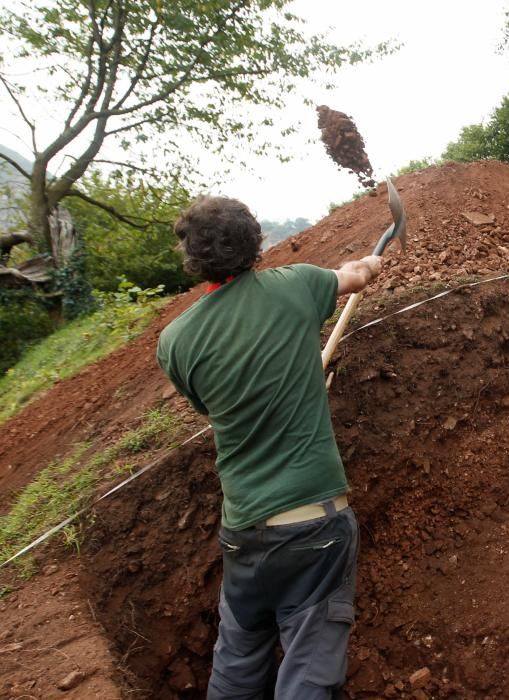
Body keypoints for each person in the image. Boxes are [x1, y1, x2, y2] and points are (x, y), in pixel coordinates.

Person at [156, 195, 382, 697]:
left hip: (243, 532)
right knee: (308, 667)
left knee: (236, 660)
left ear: (192, 256)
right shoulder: (296, 285)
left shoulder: (175, 341)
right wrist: (373, 260)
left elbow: (219, 411)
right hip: (313, 526)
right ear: (255, 243)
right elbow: (354, 277)